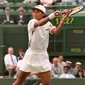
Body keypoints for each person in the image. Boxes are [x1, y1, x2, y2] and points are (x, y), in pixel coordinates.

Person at [12, 5, 71, 85]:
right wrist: (53, 15)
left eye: (38, 12)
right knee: (19, 81)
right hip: (31, 55)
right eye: (34, 12)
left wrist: (62, 20)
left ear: (43, 14)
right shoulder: (31, 22)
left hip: (43, 55)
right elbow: (40, 23)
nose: (35, 13)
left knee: (46, 83)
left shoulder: (48, 24)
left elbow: (56, 32)